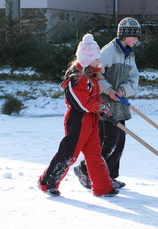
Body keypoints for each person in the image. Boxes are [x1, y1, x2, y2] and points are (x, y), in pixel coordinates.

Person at [38, 33, 119, 197]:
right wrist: (97, 107)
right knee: (69, 153)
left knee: (94, 154)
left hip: (91, 120)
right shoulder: (76, 78)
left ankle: (103, 186)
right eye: (97, 60)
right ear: (87, 60)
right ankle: (48, 182)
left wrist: (102, 108)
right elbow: (81, 103)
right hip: (78, 120)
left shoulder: (92, 76)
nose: (99, 63)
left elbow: (94, 99)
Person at [74, 17, 141, 190]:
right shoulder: (108, 52)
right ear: (125, 35)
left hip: (119, 102)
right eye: (135, 36)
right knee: (108, 140)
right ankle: (84, 169)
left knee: (120, 141)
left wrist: (123, 91)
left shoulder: (129, 55)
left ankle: (109, 176)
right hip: (104, 103)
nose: (137, 40)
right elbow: (95, 74)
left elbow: (134, 78)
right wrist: (108, 89)